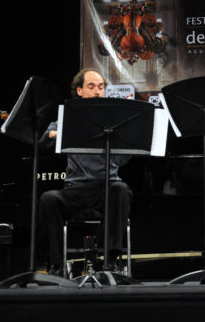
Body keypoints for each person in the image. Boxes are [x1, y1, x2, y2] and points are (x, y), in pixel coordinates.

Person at [38, 68, 133, 276]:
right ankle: (56, 264)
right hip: (75, 189)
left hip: (106, 187)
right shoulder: (69, 116)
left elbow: (122, 160)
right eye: (91, 87)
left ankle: (111, 260)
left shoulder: (114, 121)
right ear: (79, 91)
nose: (98, 91)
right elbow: (43, 138)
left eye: (101, 87)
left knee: (121, 190)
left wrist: (125, 137)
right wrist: (55, 133)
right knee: (49, 198)